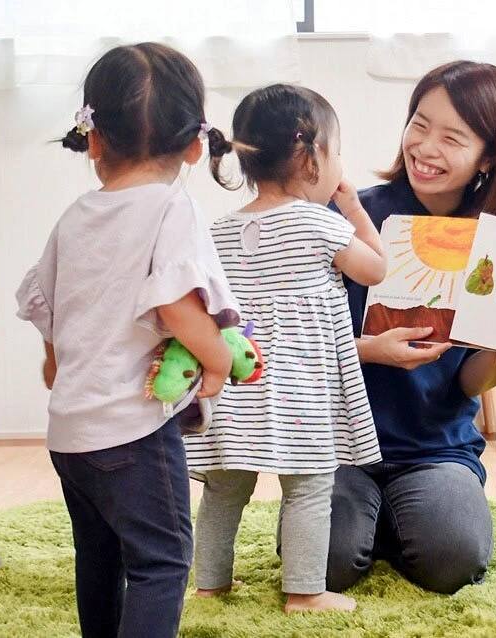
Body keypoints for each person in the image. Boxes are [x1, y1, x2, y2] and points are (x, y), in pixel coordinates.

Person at [15, 43, 240, 637]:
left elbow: (50, 308)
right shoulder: (173, 208)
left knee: (101, 555)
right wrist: (218, 362)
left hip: (70, 433)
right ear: (196, 145)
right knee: (162, 560)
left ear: (93, 139)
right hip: (132, 431)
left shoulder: (75, 217)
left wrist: (58, 366)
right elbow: (176, 303)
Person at [325, 60, 496, 596]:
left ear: (488, 157)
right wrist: (369, 351)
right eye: (419, 125)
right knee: (326, 565)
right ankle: (373, 520)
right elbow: (297, 341)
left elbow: (468, 382)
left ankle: (396, 517)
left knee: (454, 563)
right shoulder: (350, 220)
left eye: (453, 138)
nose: (425, 148)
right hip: (343, 446)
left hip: (434, 447)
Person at [185, 83, 387, 613]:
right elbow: (377, 267)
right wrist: (354, 206)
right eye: (336, 150)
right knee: (309, 489)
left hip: (235, 386)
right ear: (309, 155)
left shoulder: (220, 231)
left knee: (223, 491)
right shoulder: (322, 223)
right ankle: (304, 591)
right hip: (300, 392)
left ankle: (209, 585)